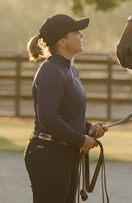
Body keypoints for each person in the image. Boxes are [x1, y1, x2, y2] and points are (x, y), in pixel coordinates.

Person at [23, 14, 108, 203]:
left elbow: (65, 113)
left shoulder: (69, 70)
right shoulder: (50, 70)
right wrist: (80, 140)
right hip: (49, 155)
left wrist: (88, 128)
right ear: (62, 41)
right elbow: (48, 117)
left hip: (64, 152)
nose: (82, 36)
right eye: (77, 33)